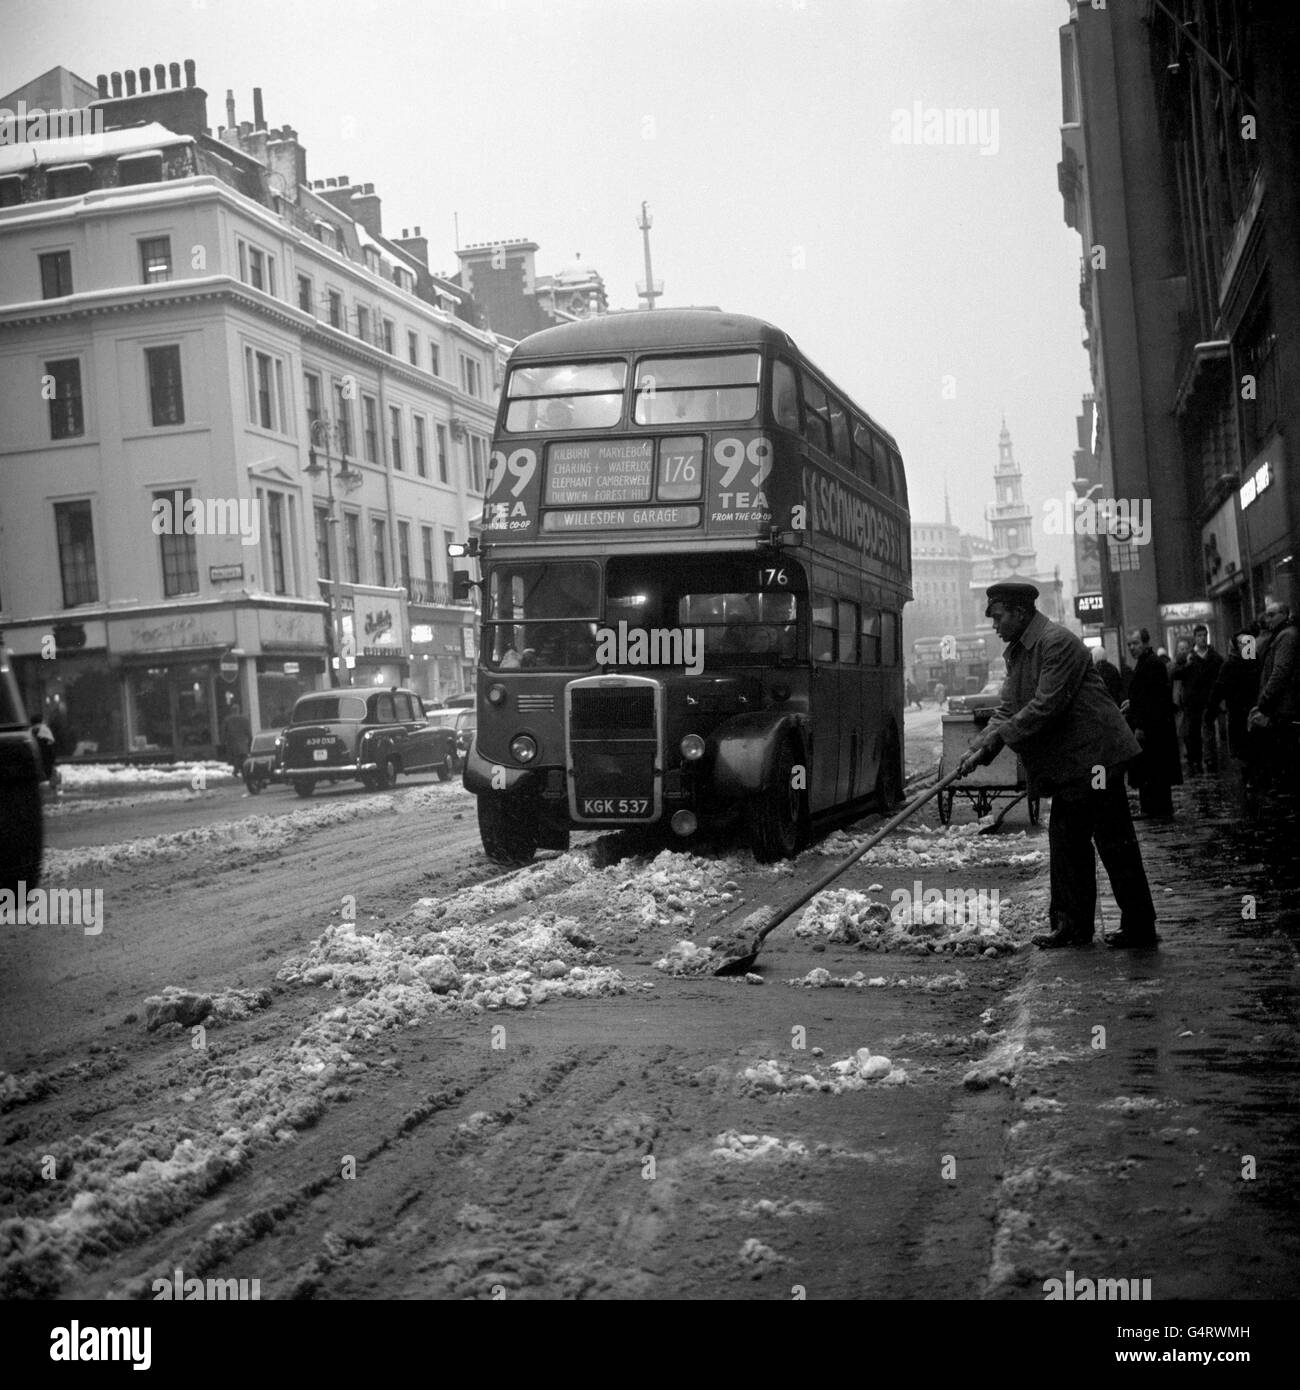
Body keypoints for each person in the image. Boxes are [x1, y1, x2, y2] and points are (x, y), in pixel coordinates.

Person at [957, 582, 1158, 949]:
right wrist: (982, 745)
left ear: (1020, 612)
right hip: (1074, 763)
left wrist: (999, 739)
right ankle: (1073, 926)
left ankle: (1137, 926)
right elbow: (1009, 707)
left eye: (998, 616)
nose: (994, 625)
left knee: (1112, 841)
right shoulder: (1019, 651)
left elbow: (1046, 706)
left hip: (1097, 757)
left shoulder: (1057, 642)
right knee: (1067, 840)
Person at [1122, 628, 1181, 817]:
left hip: (1153, 729)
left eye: (1135, 643)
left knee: (1152, 769)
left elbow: (1154, 699)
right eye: (1129, 644)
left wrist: (1140, 725)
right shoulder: (1146, 663)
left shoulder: (1151, 664)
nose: (1132, 647)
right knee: (1151, 769)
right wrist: (1132, 703)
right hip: (1154, 726)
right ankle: (1154, 807)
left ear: (1145, 643)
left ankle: (1155, 808)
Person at [1248, 601, 1299, 789]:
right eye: (1266, 615)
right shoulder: (1277, 637)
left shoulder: (1285, 636)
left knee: (1281, 756)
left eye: (1271, 615)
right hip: (1276, 705)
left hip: (1281, 707)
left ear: (1284, 615)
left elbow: (1279, 672)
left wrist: (1264, 701)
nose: (1267, 619)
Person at [1209, 625, 1263, 786]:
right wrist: (1211, 710)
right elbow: (1219, 688)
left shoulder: (1255, 662)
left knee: (1252, 745)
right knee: (1243, 747)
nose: (1247, 645)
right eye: (1243, 643)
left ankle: (1252, 776)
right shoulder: (1232, 664)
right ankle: (1249, 776)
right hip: (1238, 711)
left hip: (1253, 709)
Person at [1170, 623, 1223, 774]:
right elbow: (1176, 674)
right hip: (1192, 700)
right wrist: (1185, 665)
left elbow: (1220, 675)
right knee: (1193, 732)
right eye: (1199, 636)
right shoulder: (1189, 657)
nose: (1202, 638)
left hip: (1208, 699)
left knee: (1208, 729)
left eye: (1204, 635)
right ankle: (1196, 759)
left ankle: (1209, 758)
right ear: (1195, 638)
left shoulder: (1214, 656)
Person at [220, 702, 252, 776]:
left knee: (235, 757)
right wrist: (250, 740)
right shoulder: (244, 719)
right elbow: (248, 731)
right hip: (243, 741)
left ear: (231, 710)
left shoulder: (227, 720)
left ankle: (237, 770)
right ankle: (242, 770)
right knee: (243, 756)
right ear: (239, 710)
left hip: (232, 742)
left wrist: (222, 742)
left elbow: (223, 732)